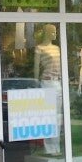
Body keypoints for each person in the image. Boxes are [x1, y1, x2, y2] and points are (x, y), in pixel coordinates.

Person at [34, 23, 62, 155]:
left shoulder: (57, 48)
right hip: (47, 82)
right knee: (48, 116)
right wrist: (35, 82)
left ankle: (56, 146)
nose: (55, 34)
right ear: (46, 33)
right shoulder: (39, 48)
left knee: (58, 116)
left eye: (55, 32)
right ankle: (49, 147)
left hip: (58, 83)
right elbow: (36, 67)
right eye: (52, 32)